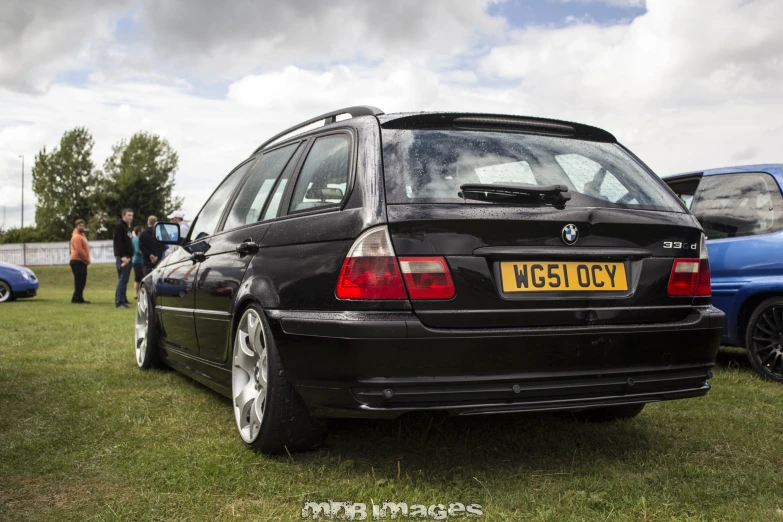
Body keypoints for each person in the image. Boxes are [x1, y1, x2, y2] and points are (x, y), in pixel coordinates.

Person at [113, 208, 134, 308]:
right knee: (122, 278)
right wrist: (122, 256)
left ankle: (123, 298)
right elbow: (118, 243)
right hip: (124, 257)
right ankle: (120, 302)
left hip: (129, 256)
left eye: (132, 215)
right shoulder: (120, 226)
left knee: (124, 279)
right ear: (123, 216)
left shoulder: (127, 228)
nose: (131, 217)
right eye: (129, 215)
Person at [69, 219, 91, 304]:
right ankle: (76, 298)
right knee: (79, 280)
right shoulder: (77, 237)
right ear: (76, 226)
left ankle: (79, 297)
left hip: (81, 261)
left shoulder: (82, 235)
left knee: (82, 280)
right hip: (77, 260)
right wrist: (86, 259)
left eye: (83, 225)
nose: (82, 227)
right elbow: (79, 250)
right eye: (80, 225)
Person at [132, 225, 144, 299]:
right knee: (138, 278)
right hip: (138, 261)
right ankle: (136, 294)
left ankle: (138, 294)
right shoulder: (136, 240)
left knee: (139, 278)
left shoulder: (136, 239)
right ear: (139, 232)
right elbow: (137, 250)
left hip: (139, 261)